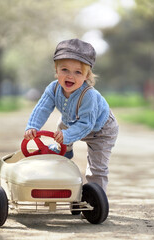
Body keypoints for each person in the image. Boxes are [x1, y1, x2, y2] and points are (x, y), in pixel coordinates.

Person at [24, 38, 119, 192]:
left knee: (97, 167)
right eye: (65, 70)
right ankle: (65, 148)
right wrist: (32, 127)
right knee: (62, 125)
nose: (70, 76)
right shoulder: (53, 89)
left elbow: (86, 124)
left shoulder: (89, 96)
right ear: (56, 70)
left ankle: (96, 197)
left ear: (87, 75)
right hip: (72, 121)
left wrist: (66, 135)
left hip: (100, 129)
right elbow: (42, 109)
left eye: (78, 72)